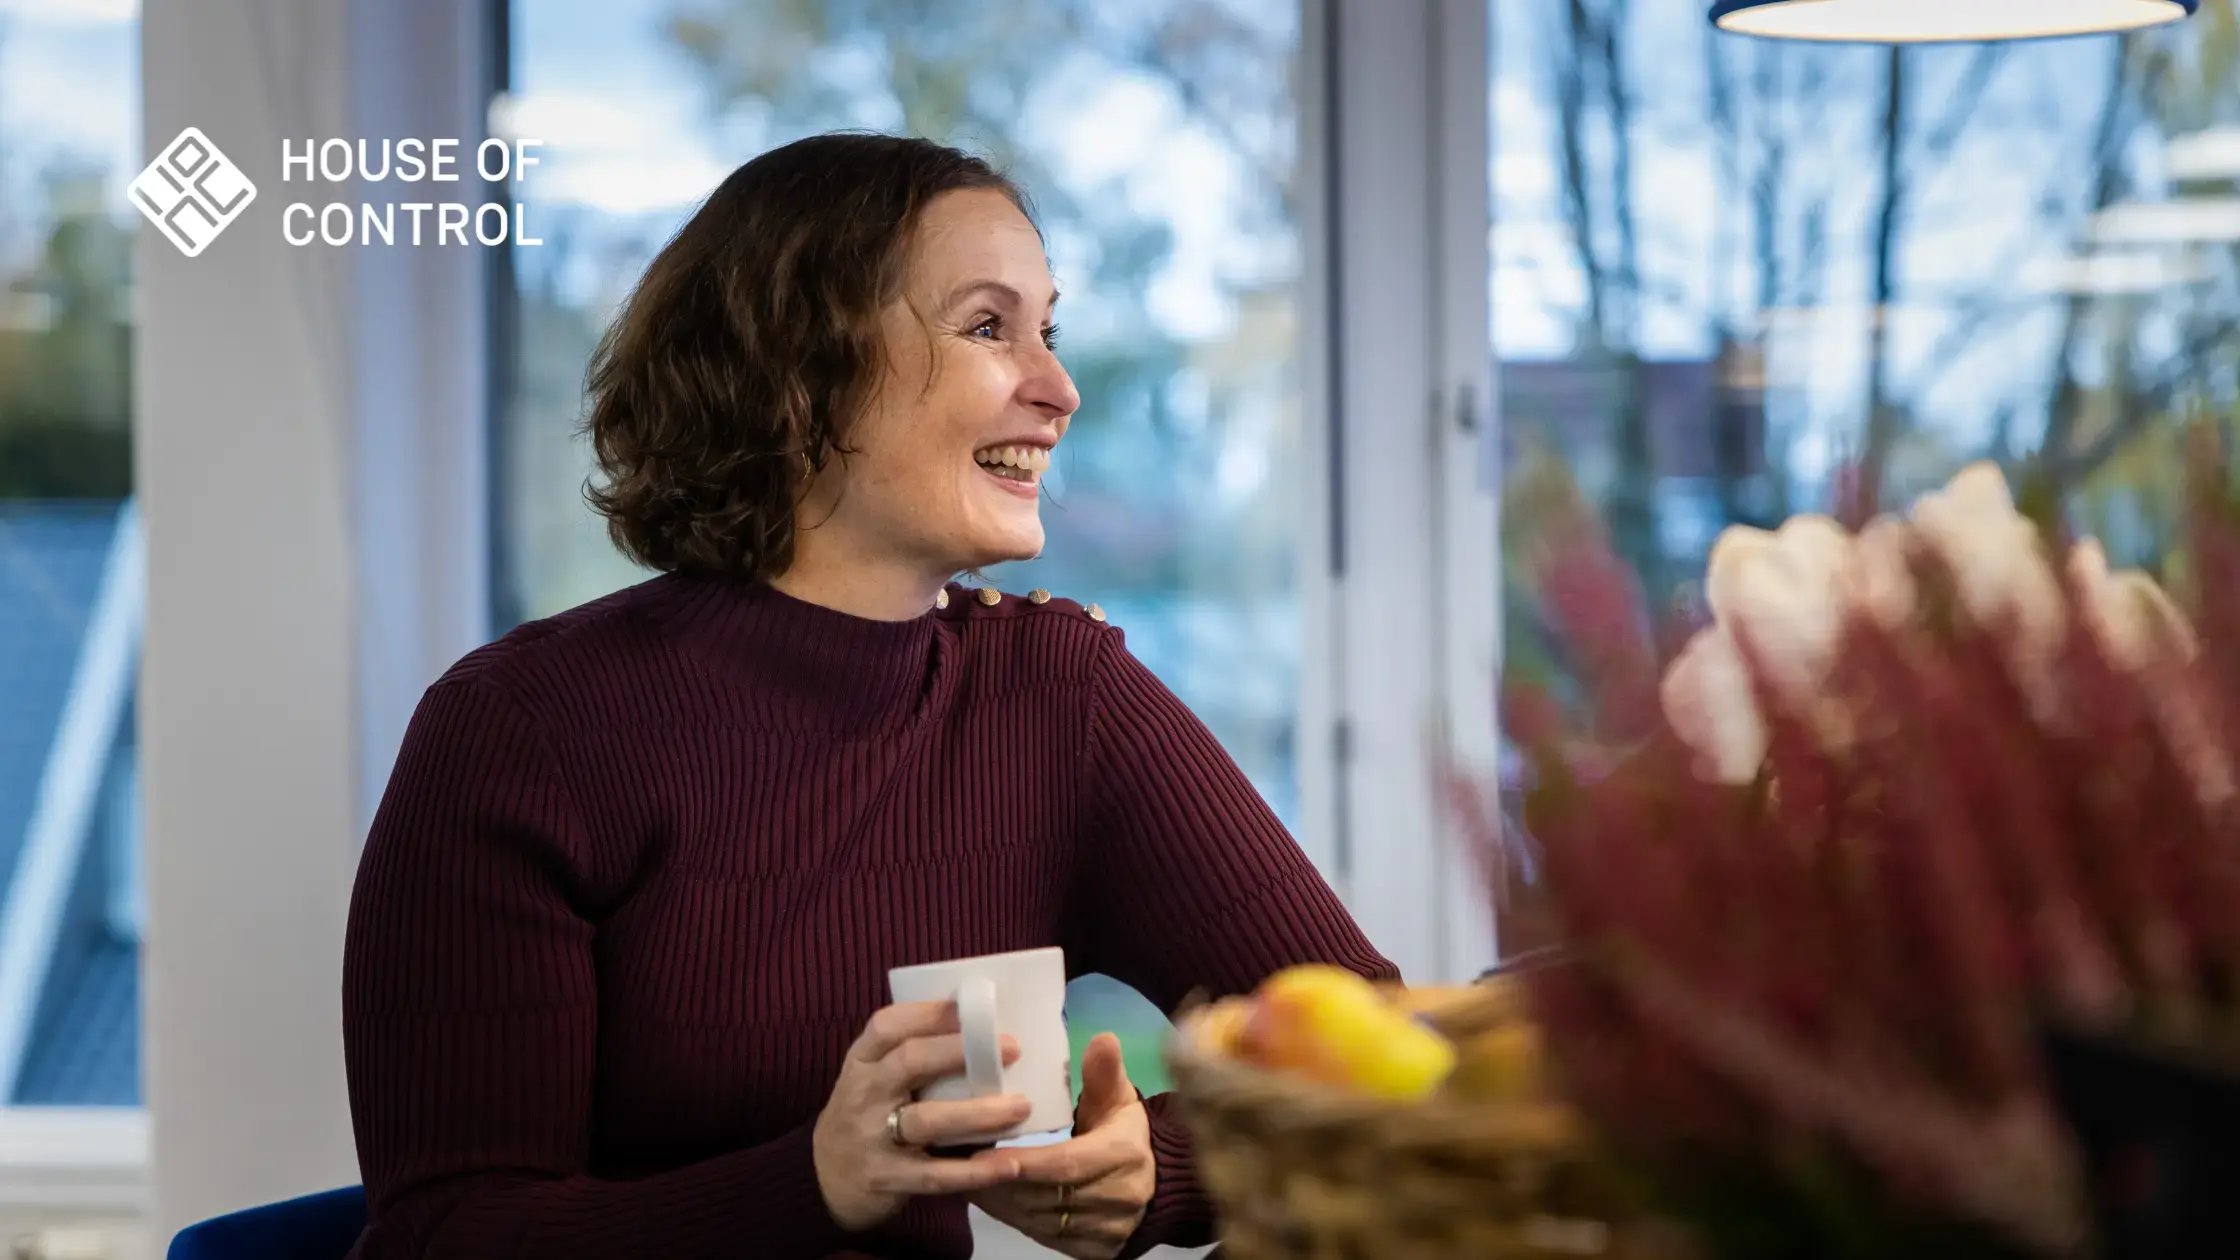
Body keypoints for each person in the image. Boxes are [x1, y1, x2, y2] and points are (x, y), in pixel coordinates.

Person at [341, 131, 1398, 1260]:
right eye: (988, 328)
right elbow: (438, 1235)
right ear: (797, 377)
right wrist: (813, 1182)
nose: (1057, 389)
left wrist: (1155, 1168)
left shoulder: (1059, 696)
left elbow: (1374, 1059)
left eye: (1049, 330)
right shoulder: (521, 731)